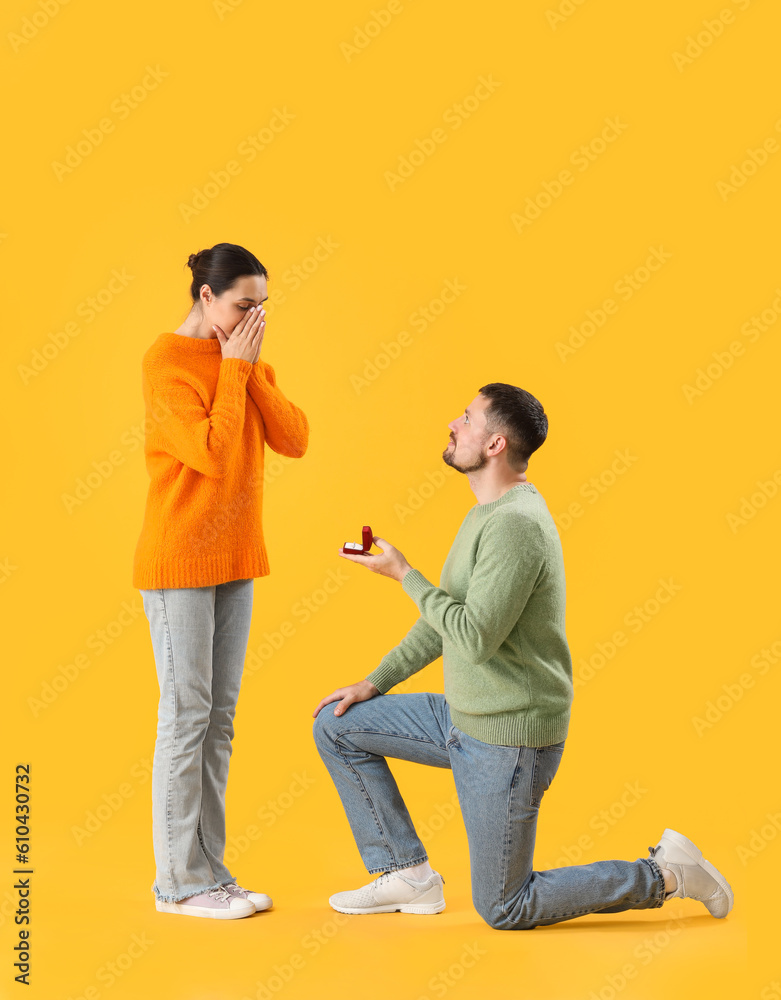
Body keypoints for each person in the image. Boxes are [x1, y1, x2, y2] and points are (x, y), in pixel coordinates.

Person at [312, 383, 733, 929]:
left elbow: (474, 635)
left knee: (505, 906)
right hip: (462, 719)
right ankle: (408, 875)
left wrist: (405, 575)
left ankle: (666, 874)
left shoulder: (513, 526)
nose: (452, 424)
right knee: (336, 725)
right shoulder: (484, 515)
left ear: (495, 444)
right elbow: (445, 621)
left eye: (466, 418)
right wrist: (375, 683)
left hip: (507, 741)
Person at [133, 243, 309, 919]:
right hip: (179, 561)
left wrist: (248, 369)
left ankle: (211, 872)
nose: (254, 316)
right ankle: (178, 885)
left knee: (219, 723)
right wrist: (236, 370)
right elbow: (208, 451)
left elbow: (293, 439)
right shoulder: (164, 363)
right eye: (243, 304)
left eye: (262, 305)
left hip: (236, 561)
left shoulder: (241, 357)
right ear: (207, 299)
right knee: (185, 719)